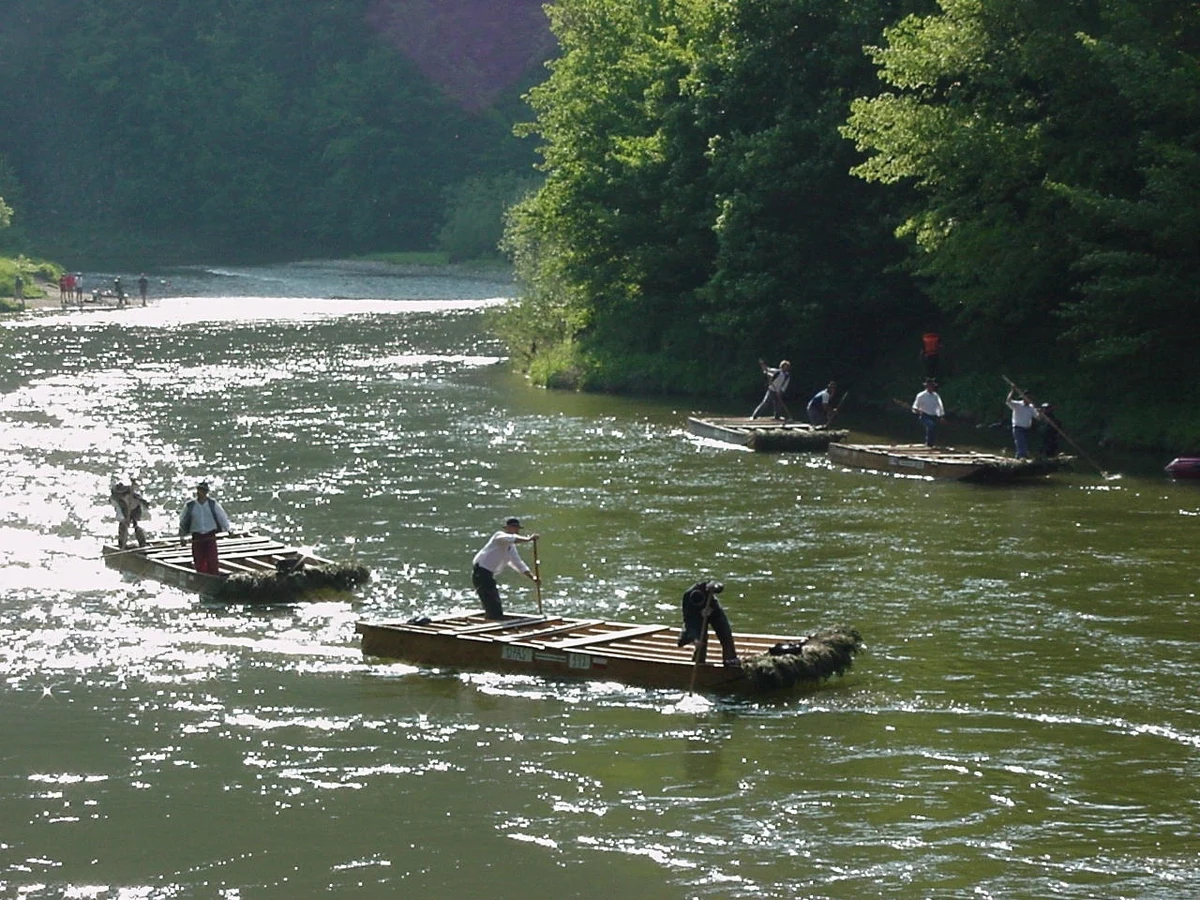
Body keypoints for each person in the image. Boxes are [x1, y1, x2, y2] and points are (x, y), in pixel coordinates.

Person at [471, 517, 539, 619]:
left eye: (517, 528)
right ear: (507, 528)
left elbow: (518, 563)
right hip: (480, 572)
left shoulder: (510, 547)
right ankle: (492, 620)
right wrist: (529, 539)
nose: (516, 530)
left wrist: (533, 577)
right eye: (513, 527)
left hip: (488, 574)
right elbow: (513, 539)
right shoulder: (499, 536)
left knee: (494, 602)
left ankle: (493, 618)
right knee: (491, 601)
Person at [676, 580, 739, 667]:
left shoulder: (704, 587)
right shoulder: (687, 602)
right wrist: (696, 639)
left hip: (714, 611)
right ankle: (699, 660)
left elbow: (719, 585)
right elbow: (689, 622)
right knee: (701, 640)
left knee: (725, 634)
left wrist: (715, 587)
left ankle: (730, 659)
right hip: (697, 618)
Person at [179, 481, 233, 575]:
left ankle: (214, 577)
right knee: (199, 562)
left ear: (206, 492)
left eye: (203, 491)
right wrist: (182, 537)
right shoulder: (190, 505)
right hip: (197, 537)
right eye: (200, 490)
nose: (201, 493)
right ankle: (201, 578)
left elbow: (222, 517)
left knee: (212, 560)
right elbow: (182, 522)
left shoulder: (213, 504)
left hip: (210, 536)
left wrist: (228, 529)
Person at [111, 477, 149, 549]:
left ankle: (142, 543)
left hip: (135, 510)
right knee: (123, 526)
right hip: (125, 510)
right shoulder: (118, 500)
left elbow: (143, 502)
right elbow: (118, 510)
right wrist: (123, 518)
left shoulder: (133, 496)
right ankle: (122, 544)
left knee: (136, 525)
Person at [1005, 387, 1038, 459]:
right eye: (1028, 397)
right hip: (1018, 428)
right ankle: (1022, 457)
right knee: (1020, 443)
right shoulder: (1018, 404)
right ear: (1024, 397)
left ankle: (1019, 457)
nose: (1029, 399)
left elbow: (1038, 417)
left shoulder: (1031, 407)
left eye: (1030, 397)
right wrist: (1012, 391)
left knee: (1025, 444)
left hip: (1026, 429)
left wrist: (1041, 413)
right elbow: (1008, 401)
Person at [911, 378, 945, 448]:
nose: (931, 387)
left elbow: (939, 406)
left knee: (933, 429)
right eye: (929, 386)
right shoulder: (921, 395)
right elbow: (915, 406)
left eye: (932, 386)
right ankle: (929, 444)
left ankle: (931, 444)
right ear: (926, 387)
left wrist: (941, 416)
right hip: (924, 415)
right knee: (931, 426)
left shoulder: (936, 396)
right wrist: (916, 410)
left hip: (934, 416)